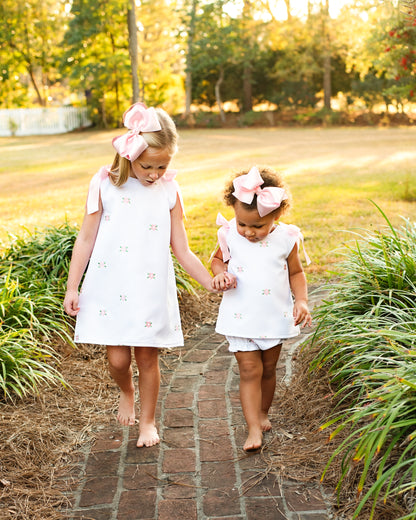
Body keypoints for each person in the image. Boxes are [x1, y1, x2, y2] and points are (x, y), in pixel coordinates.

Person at [64, 102, 218, 448]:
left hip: (149, 288)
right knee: (118, 359)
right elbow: (85, 238)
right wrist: (73, 287)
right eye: (148, 165)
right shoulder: (104, 184)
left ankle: (147, 422)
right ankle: (126, 391)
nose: (154, 173)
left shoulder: (169, 190)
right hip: (110, 285)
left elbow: (183, 249)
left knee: (147, 356)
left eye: (162, 165)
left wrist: (209, 282)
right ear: (130, 155)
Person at [211, 166, 312, 452]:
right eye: (243, 224)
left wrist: (301, 300)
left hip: (273, 315)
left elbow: (296, 273)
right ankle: (253, 427)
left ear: (277, 215)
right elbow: (217, 261)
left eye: (257, 226)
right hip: (240, 315)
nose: (249, 232)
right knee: (249, 369)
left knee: (268, 369)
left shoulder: (287, 238)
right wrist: (220, 274)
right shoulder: (230, 234)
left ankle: (263, 412)